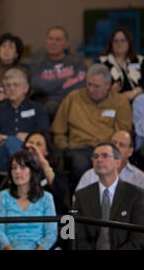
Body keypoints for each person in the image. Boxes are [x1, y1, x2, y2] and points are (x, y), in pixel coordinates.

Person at [52, 63, 132, 193]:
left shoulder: (120, 101)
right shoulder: (74, 97)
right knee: (81, 166)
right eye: (88, 84)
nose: (90, 89)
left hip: (108, 148)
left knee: (110, 166)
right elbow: (58, 129)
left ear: (108, 85)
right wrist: (64, 145)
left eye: (96, 86)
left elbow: (122, 131)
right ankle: (79, 205)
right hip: (78, 148)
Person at [73, 142, 144, 250]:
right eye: (95, 156)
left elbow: (138, 238)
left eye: (105, 156)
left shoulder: (136, 195)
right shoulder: (81, 196)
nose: (99, 160)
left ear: (118, 162)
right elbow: (78, 236)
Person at [0, 68, 49, 171]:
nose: (12, 88)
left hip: (33, 151)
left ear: (26, 88)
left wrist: (27, 137)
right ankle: (27, 169)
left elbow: (44, 132)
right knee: (11, 141)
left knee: (13, 141)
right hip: (5, 158)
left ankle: (25, 169)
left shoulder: (37, 109)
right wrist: (17, 137)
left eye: (16, 85)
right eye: (8, 85)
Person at [0, 150, 58, 250]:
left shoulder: (46, 198)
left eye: (22, 167)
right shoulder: (4, 196)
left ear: (33, 170)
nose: (17, 172)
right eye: (14, 168)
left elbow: (51, 233)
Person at [28, 26, 87, 121]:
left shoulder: (77, 63)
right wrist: (66, 80)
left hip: (73, 104)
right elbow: (38, 86)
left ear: (66, 44)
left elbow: (80, 85)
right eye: (50, 39)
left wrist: (50, 85)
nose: (53, 42)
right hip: (47, 108)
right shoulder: (37, 64)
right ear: (46, 42)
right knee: (51, 107)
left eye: (58, 39)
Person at [75, 131, 144, 192]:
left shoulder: (139, 177)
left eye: (121, 145)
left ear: (130, 151)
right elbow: (77, 203)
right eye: (113, 143)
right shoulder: (90, 175)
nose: (116, 148)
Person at [23, 131, 69, 215]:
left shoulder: (57, 172)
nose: (34, 148)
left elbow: (60, 193)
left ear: (47, 150)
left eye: (38, 144)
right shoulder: (18, 171)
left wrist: (43, 164)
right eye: (31, 144)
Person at [99, 27, 143, 101]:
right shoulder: (103, 63)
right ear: (111, 44)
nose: (119, 43)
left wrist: (135, 91)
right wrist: (111, 90)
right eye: (115, 41)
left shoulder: (139, 60)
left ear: (129, 43)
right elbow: (99, 87)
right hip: (115, 102)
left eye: (123, 40)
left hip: (139, 100)